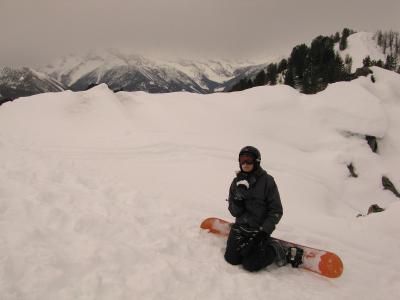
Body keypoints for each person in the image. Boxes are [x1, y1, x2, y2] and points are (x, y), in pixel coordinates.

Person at [224, 146, 287, 272]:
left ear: (257, 161)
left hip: (258, 230)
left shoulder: (267, 181)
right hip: (240, 227)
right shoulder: (236, 182)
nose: (245, 164)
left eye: (249, 160)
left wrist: (264, 232)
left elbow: (276, 211)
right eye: (242, 160)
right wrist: (237, 201)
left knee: (250, 265)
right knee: (232, 259)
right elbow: (234, 212)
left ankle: (274, 248)